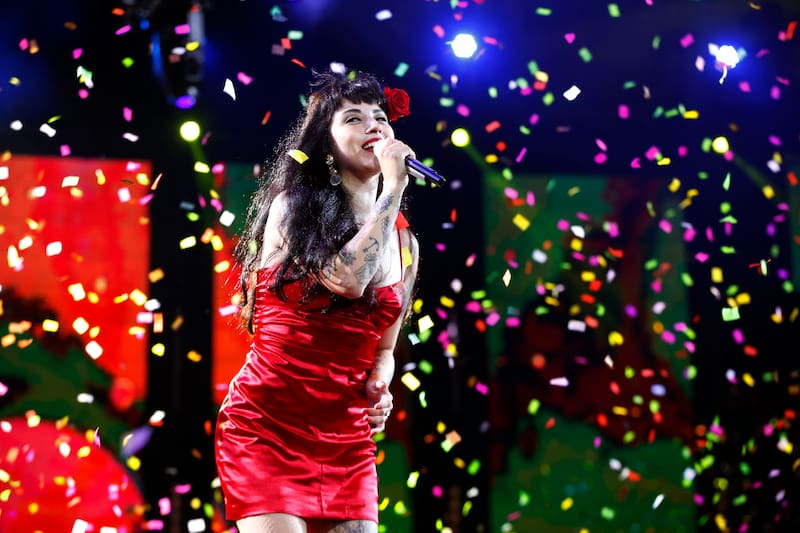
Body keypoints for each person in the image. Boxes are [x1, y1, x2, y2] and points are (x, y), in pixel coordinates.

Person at [214, 67, 420, 533]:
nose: (374, 126)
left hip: (346, 439)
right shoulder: (292, 209)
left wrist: (380, 386)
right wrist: (393, 190)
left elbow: (383, 348)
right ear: (326, 145)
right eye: (354, 118)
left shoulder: (406, 245)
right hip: (268, 426)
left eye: (380, 117)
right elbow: (347, 280)